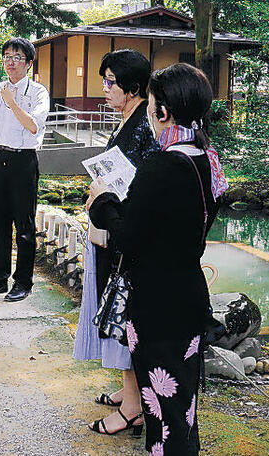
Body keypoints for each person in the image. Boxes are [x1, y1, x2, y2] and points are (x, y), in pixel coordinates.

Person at [86, 63, 228, 455]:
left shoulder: (162, 165)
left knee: (161, 414)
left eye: (150, 107)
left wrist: (103, 201)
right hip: (188, 296)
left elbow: (129, 237)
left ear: (162, 112)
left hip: (156, 304)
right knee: (181, 411)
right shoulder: (206, 159)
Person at [73, 50, 158, 437]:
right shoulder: (129, 118)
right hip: (111, 227)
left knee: (122, 317)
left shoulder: (144, 123)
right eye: (103, 80)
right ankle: (130, 394)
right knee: (114, 314)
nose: (104, 89)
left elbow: (139, 185)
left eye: (111, 82)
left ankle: (133, 407)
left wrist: (105, 197)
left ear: (134, 86)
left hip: (124, 234)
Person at [0, 37, 50, 302]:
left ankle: (23, 282)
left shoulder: (38, 92)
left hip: (23, 161)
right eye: (7, 56)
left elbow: (33, 126)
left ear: (29, 63)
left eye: (17, 57)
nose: (10, 62)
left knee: (24, 225)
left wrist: (11, 100)